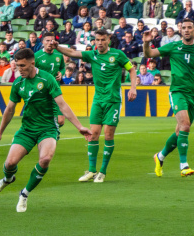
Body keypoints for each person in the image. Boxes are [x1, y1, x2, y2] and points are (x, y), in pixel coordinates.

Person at [0, 48, 92, 212]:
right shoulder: (17, 83)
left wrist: (79, 127)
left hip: (48, 129)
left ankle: (24, 194)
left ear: (32, 63)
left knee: (45, 159)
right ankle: (8, 179)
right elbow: (9, 109)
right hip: (27, 129)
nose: (19, 69)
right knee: (9, 163)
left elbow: (62, 105)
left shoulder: (47, 79)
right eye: (17, 66)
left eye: (22, 66)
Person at [53, 29, 137, 182]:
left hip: (113, 100)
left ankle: (102, 172)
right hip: (98, 100)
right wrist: (57, 46)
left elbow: (131, 69)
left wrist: (133, 88)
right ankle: (92, 170)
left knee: (109, 135)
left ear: (108, 40)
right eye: (97, 40)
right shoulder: (92, 54)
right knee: (93, 135)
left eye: (103, 40)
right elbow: (73, 53)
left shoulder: (118, 55)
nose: (99, 42)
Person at [143, 18, 194, 177]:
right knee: (185, 126)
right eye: (184, 28)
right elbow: (149, 54)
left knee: (179, 132)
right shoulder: (173, 46)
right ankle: (184, 165)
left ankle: (160, 157)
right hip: (177, 91)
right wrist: (147, 43)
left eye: (190, 27)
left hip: (192, 94)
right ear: (180, 30)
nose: (187, 30)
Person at [34, 33, 66, 126]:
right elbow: (31, 72)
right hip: (42, 91)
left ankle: (51, 135)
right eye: (47, 40)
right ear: (43, 42)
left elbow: (62, 68)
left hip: (56, 91)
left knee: (60, 120)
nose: (50, 43)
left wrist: (61, 73)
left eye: (52, 40)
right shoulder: (37, 56)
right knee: (43, 120)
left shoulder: (59, 55)